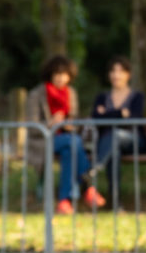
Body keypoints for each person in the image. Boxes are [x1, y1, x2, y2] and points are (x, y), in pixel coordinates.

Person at [26, 55, 106, 215]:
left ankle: (64, 201)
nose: (60, 78)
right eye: (57, 74)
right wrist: (50, 123)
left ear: (70, 76)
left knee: (70, 150)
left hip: (67, 140)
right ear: (50, 74)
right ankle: (88, 185)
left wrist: (70, 125)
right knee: (74, 142)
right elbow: (32, 127)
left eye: (64, 74)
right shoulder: (36, 94)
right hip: (43, 141)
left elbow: (74, 121)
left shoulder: (71, 93)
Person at [90, 56, 146, 202]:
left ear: (128, 74)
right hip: (110, 144)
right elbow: (96, 120)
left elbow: (133, 121)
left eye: (121, 71)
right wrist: (120, 114)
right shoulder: (102, 97)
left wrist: (107, 115)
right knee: (114, 151)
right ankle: (116, 203)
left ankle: (96, 167)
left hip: (135, 141)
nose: (116, 75)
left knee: (115, 135)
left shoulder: (137, 97)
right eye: (113, 71)